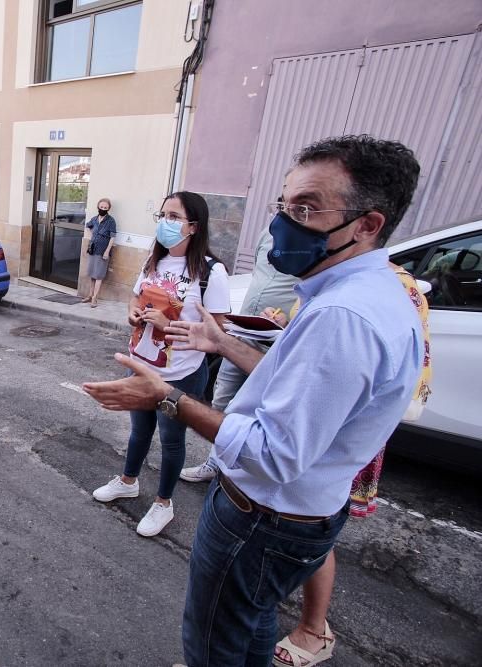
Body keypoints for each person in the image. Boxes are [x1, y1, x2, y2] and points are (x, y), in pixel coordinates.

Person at [84, 135, 424, 666]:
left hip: (262, 518)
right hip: (291, 515)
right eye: (284, 205)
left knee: (215, 641)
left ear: (368, 224)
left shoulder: (343, 317)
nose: (282, 224)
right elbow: (295, 384)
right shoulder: (358, 296)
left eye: (306, 208)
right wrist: (223, 343)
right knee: (252, 620)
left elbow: (273, 454)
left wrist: (167, 397)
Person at [271, 263, 431, 667]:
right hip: (305, 422)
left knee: (314, 523)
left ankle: (313, 628)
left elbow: (408, 371)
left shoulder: (391, 290)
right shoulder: (324, 276)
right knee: (291, 523)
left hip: (338, 432)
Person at [91, 191, 229, 537]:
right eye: (162, 216)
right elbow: (136, 295)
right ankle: (128, 481)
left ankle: (163, 503)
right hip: (141, 365)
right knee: (139, 431)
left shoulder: (211, 272)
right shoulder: (153, 261)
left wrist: (170, 326)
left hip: (180, 375)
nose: (165, 224)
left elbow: (219, 332)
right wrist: (132, 311)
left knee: (171, 440)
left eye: (173, 217)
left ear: (193, 226)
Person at [179, 227, 298, 483]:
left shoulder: (310, 248)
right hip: (242, 332)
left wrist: (287, 321)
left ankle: (237, 473)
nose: (283, 215)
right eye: (281, 203)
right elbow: (260, 273)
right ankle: (214, 463)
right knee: (223, 398)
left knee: (257, 406)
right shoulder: (266, 234)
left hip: (276, 341)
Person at [82, 198, 117, 307]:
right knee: (92, 274)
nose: (103, 209)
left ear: (108, 209)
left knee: (99, 275)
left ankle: (94, 298)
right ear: (98, 207)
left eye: (105, 208)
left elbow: (112, 237)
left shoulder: (111, 221)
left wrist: (107, 251)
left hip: (103, 251)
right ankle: (89, 295)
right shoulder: (94, 219)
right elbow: (87, 225)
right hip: (93, 249)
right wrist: (93, 233)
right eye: (101, 207)